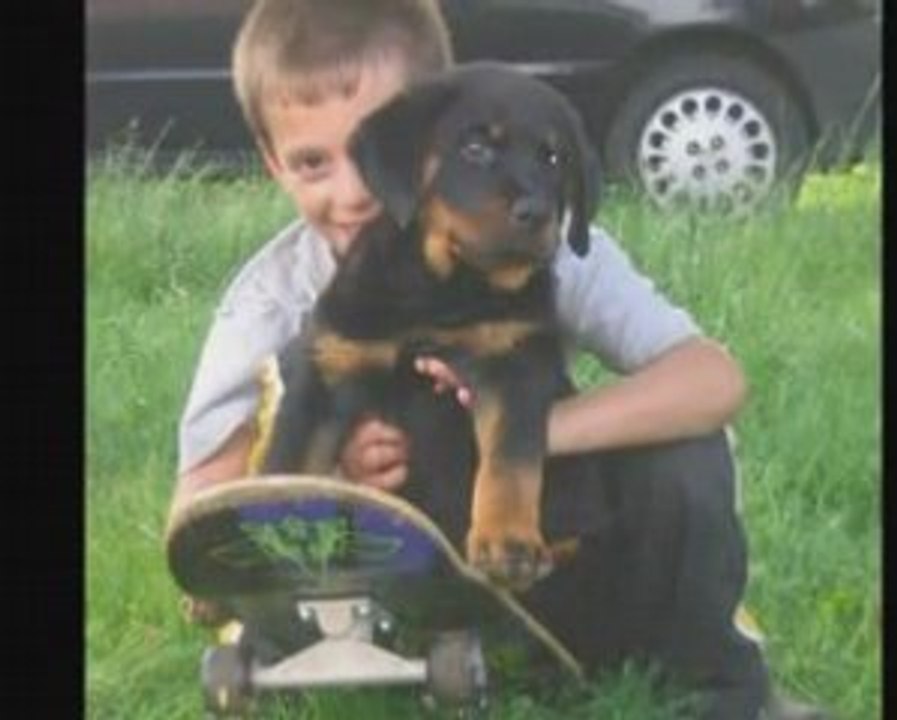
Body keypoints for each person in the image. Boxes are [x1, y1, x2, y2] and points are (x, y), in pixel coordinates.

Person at [170, 2, 826, 718]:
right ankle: (304, 656)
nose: (356, 191)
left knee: (684, 451)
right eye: (313, 162)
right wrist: (332, 481)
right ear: (272, 162)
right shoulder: (272, 300)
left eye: (372, 147)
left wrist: (537, 432)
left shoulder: (541, 256)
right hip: (383, 588)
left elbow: (713, 382)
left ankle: (723, 684)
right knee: (297, 393)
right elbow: (203, 507)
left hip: (552, 561)